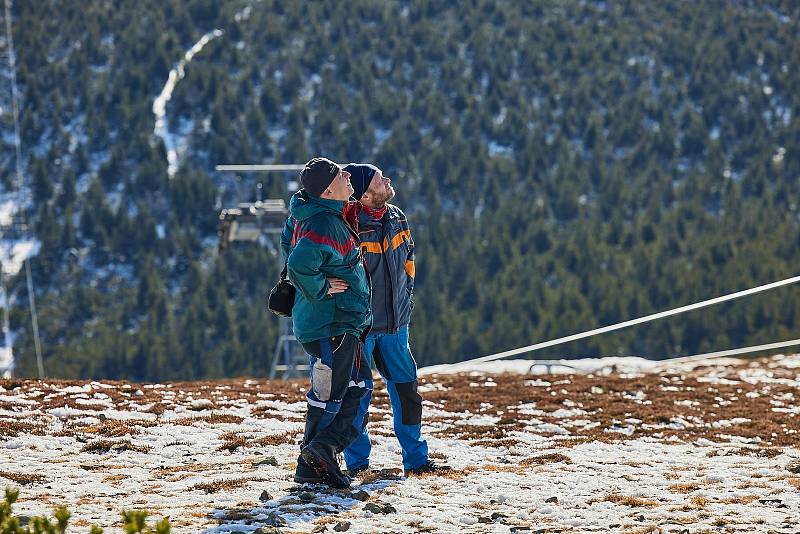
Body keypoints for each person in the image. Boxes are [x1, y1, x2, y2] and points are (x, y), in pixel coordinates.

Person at [341, 163, 445, 477]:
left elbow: (408, 259)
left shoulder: (396, 216)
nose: (387, 180)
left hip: (397, 326)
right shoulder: (348, 226)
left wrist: (406, 295)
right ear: (365, 194)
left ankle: (416, 461)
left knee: (407, 394)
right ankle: (358, 465)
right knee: (356, 396)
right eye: (378, 179)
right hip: (360, 328)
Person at [280, 157, 373, 489]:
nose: (348, 175)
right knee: (333, 395)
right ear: (328, 188)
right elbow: (299, 261)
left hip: (337, 323)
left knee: (352, 390)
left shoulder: (314, 215)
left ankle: (319, 455)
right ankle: (316, 459)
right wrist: (321, 286)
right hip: (331, 324)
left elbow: (288, 242)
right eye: (339, 174)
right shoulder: (324, 224)